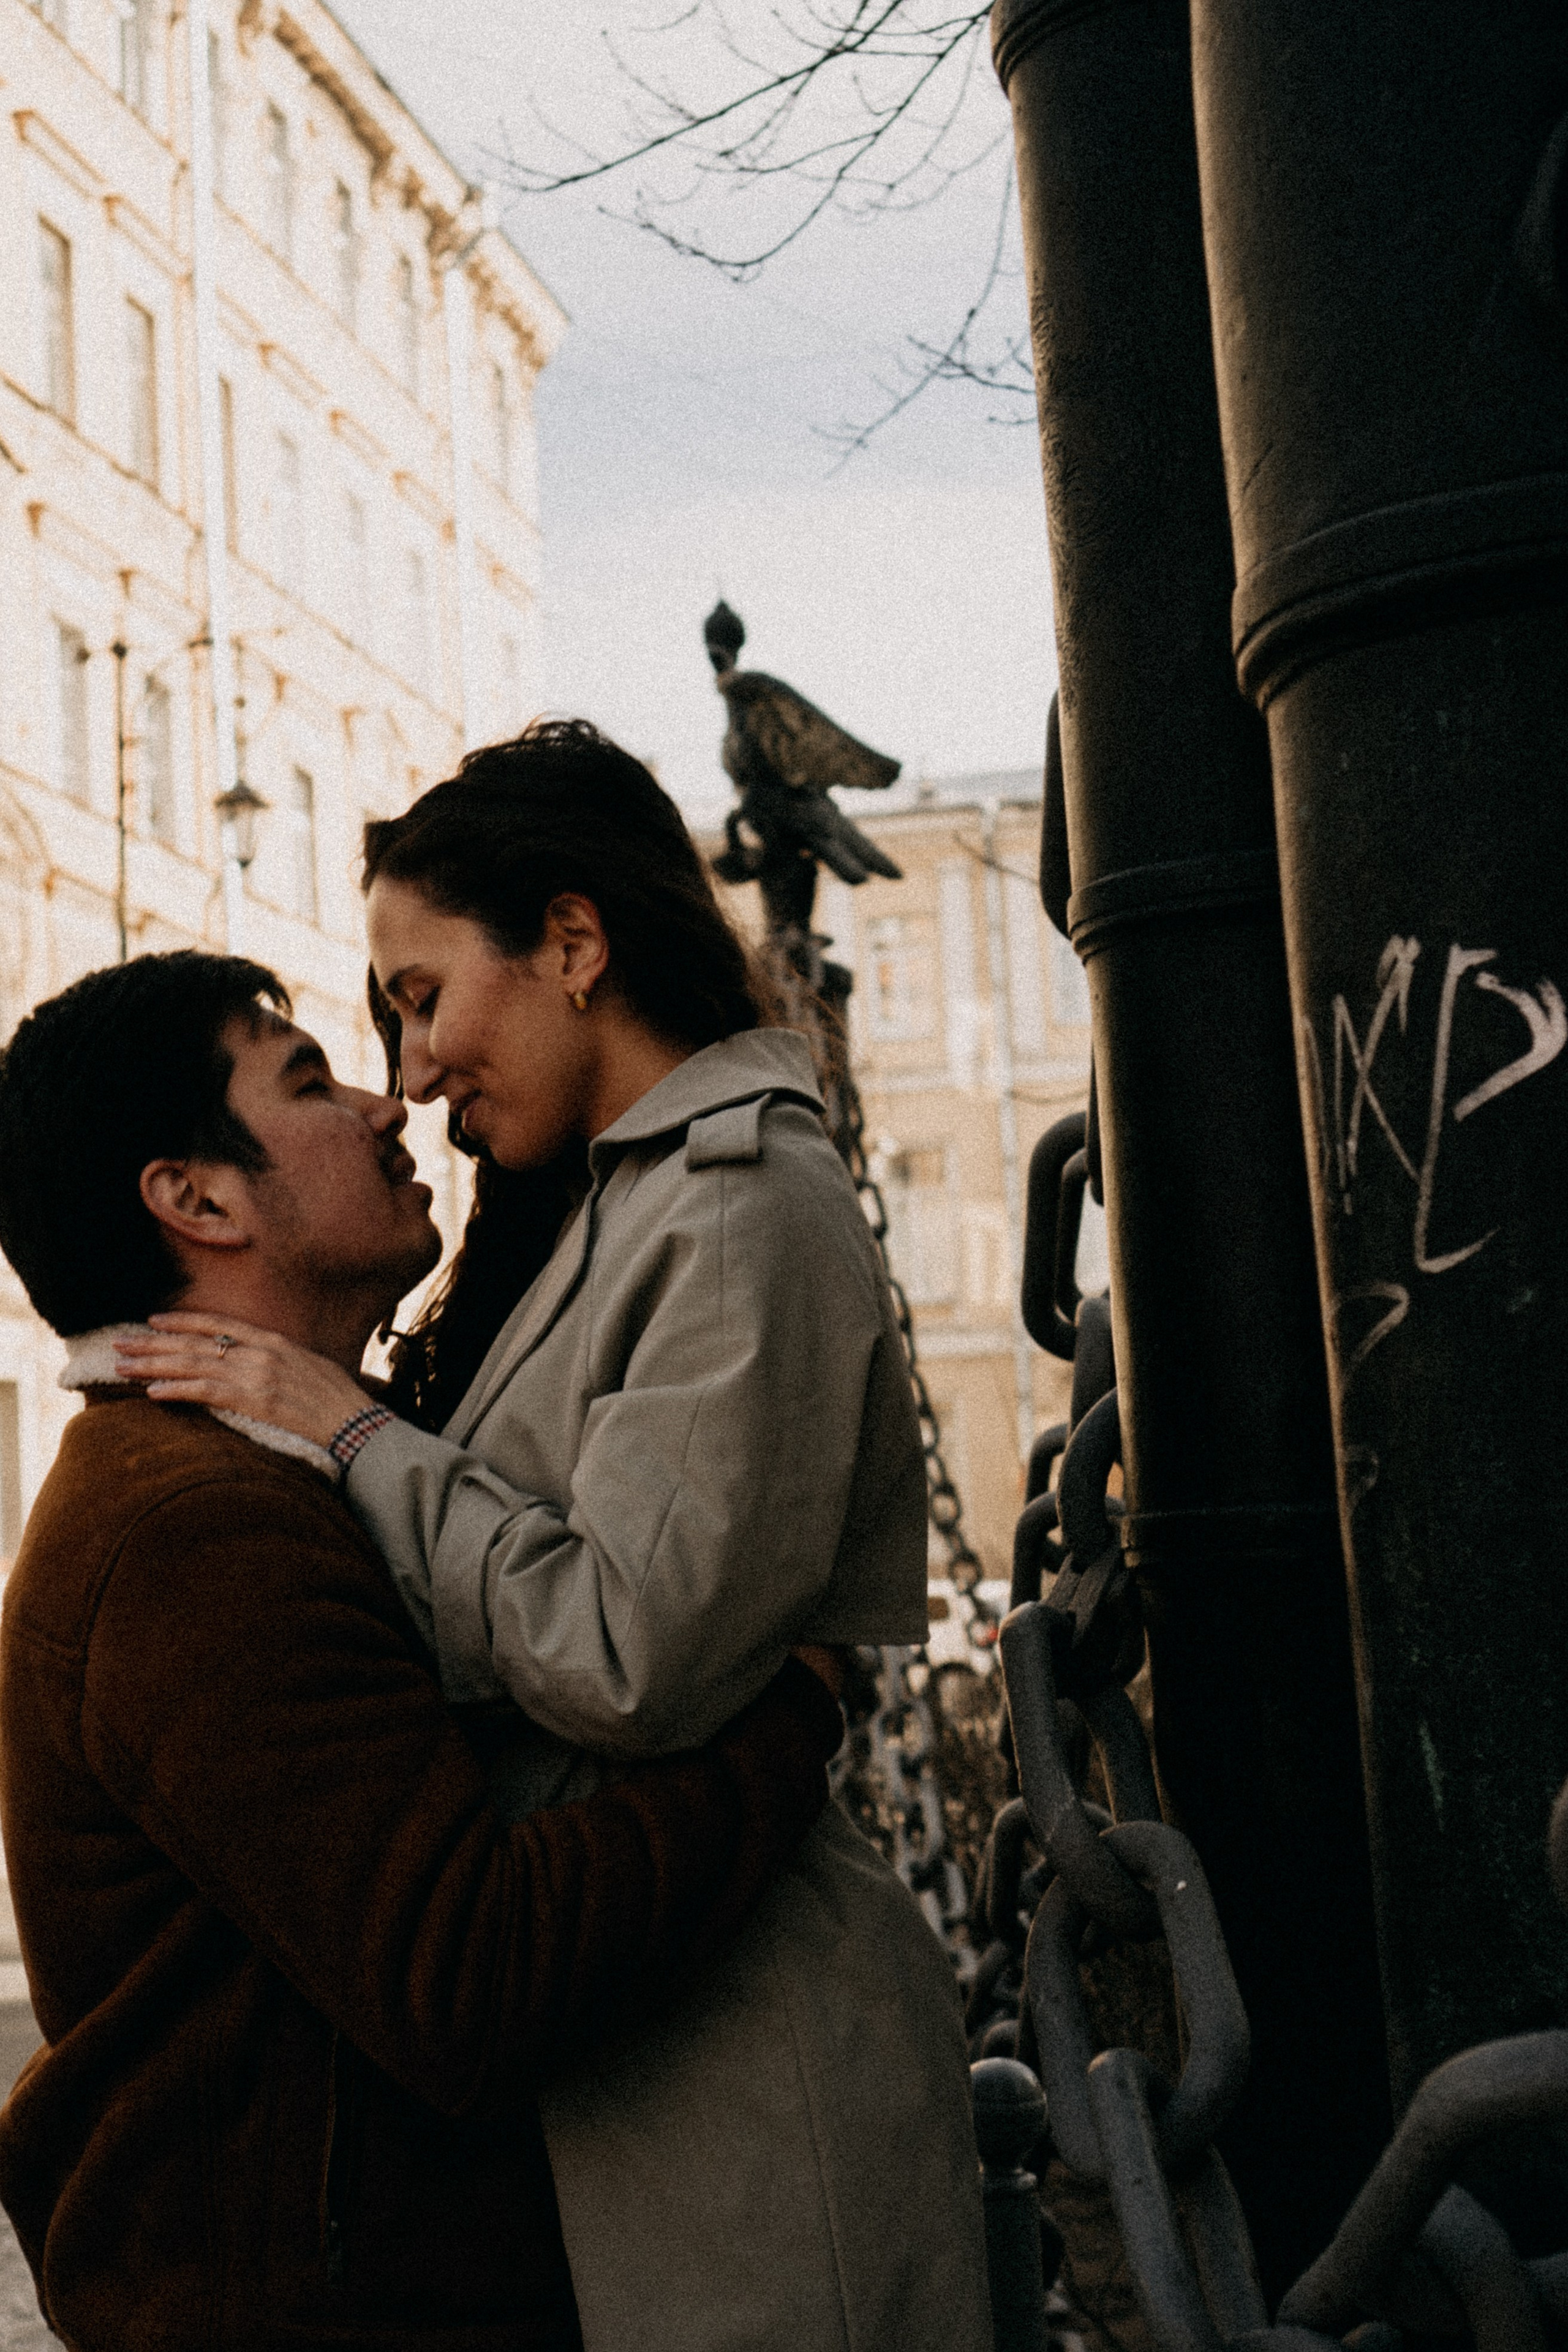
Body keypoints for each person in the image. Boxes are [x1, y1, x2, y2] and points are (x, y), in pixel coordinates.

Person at [123, 722, 993, 2352]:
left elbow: (622, 1655)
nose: (411, 1067)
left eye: (422, 994)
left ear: (574, 946)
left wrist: (348, 1428)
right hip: (645, 2067)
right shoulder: (628, 1205)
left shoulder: (731, 1206)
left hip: (749, 2101)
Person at [0, 949, 847, 2352]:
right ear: (197, 1198)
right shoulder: (194, 1530)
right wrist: (790, 1718)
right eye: (311, 1081)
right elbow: (472, 1973)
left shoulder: (256, 1473)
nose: (392, 1105)